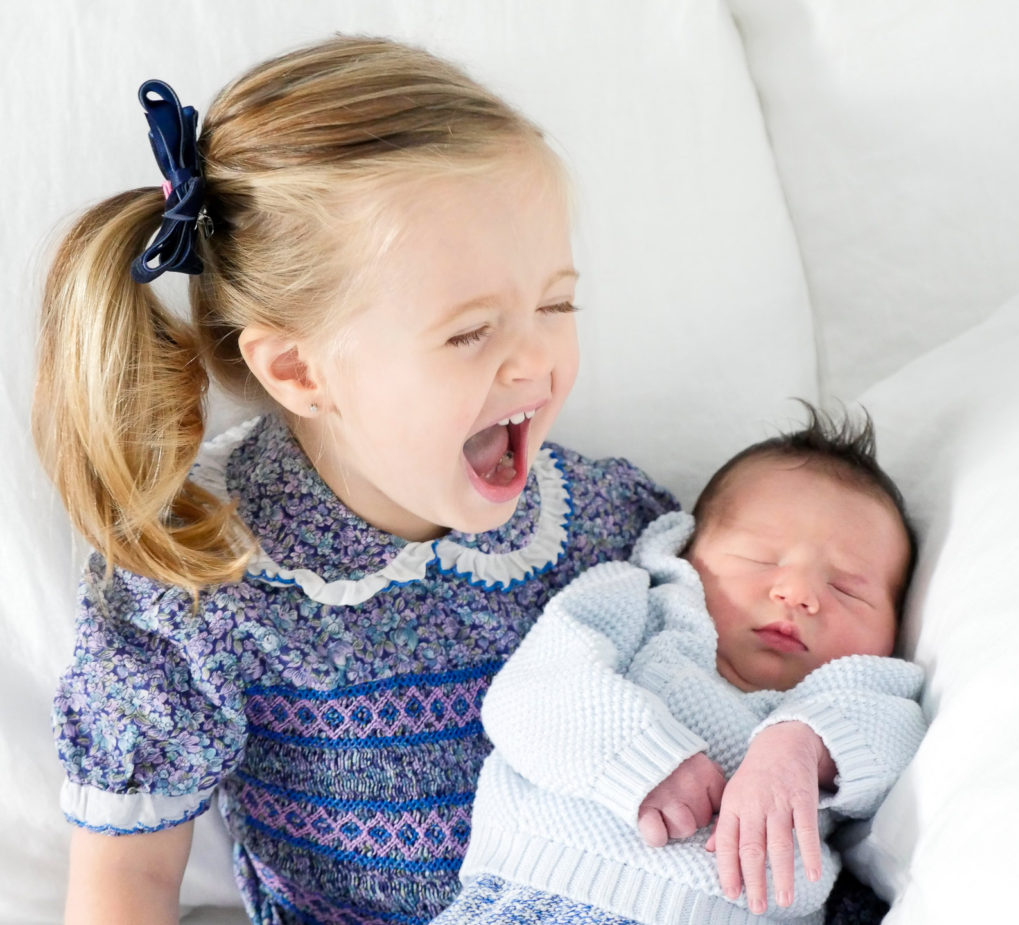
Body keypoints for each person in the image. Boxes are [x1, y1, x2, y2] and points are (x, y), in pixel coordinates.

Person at [33, 37, 681, 925]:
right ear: (301, 370)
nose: (536, 358)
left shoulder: (608, 524)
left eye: (557, 304)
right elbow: (126, 889)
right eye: (469, 333)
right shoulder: (201, 587)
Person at [433, 405, 928, 925]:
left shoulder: (862, 690)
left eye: (848, 588)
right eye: (761, 558)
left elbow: (898, 744)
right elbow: (533, 695)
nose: (798, 593)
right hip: (535, 891)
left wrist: (799, 748)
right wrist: (643, 759)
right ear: (687, 551)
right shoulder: (638, 603)